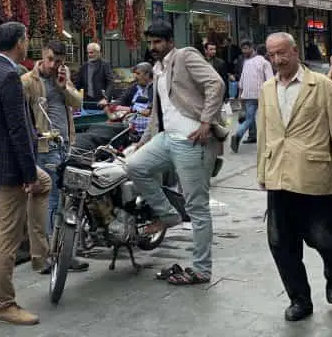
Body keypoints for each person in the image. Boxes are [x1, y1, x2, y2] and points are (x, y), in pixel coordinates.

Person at [258, 32, 332, 323]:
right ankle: (300, 300)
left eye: (282, 53)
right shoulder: (267, 88)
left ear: (295, 51)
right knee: (280, 243)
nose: (278, 60)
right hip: (278, 174)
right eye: (272, 55)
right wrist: (261, 171)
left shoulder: (324, 87)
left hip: (315, 174)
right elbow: (265, 131)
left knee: (324, 238)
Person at [126, 21, 226, 286]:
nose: (153, 47)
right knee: (135, 165)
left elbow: (215, 84)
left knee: (197, 207)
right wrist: (145, 141)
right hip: (166, 138)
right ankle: (168, 214)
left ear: (170, 40)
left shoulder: (185, 56)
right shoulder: (158, 69)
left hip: (192, 141)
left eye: (157, 42)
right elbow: (160, 112)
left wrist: (207, 121)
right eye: (150, 43)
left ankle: (202, 268)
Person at [0, 21, 52, 326]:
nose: (27, 43)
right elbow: (17, 130)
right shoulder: (8, 76)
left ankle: (41, 252)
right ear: (19, 42)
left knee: (45, 183)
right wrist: (27, 172)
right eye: (26, 38)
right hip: (10, 166)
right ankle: (3, 303)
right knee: (7, 236)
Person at [21, 41, 85, 259]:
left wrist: (63, 86)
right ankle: (50, 252)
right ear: (42, 56)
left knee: (64, 201)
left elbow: (77, 104)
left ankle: (59, 250)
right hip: (44, 147)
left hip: (65, 145)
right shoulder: (29, 81)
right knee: (51, 200)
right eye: (50, 60)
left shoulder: (61, 78)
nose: (53, 65)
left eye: (58, 61)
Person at [231, 41, 273, 153]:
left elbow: (241, 80)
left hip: (248, 95)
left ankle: (252, 136)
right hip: (262, 94)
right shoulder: (265, 63)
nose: (244, 51)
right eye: (243, 49)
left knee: (250, 117)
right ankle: (238, 135)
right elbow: (270, 81)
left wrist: (240, 95)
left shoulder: (247, 62)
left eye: (246, 48)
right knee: (265, 117)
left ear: (252, 48)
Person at [114, 62, 155, 138]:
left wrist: (131, 110)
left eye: (138, 74)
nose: (135, 77)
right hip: (129, 127)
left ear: (147, 75)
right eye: (135, 74)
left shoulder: (155, 88)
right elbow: (120, 101)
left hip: (147, 131)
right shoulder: (134, 86)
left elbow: (148, 112)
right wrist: (115, 106)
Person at [73, 43, 113, 109]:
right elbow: (77, 84)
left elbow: (110, 83)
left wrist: (106, 98)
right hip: (87, 102)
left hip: (102, 102)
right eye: (88, 53)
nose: (89, 55)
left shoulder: (105, 65)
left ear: (98, 53)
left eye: (91, 53)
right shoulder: (83, 67)